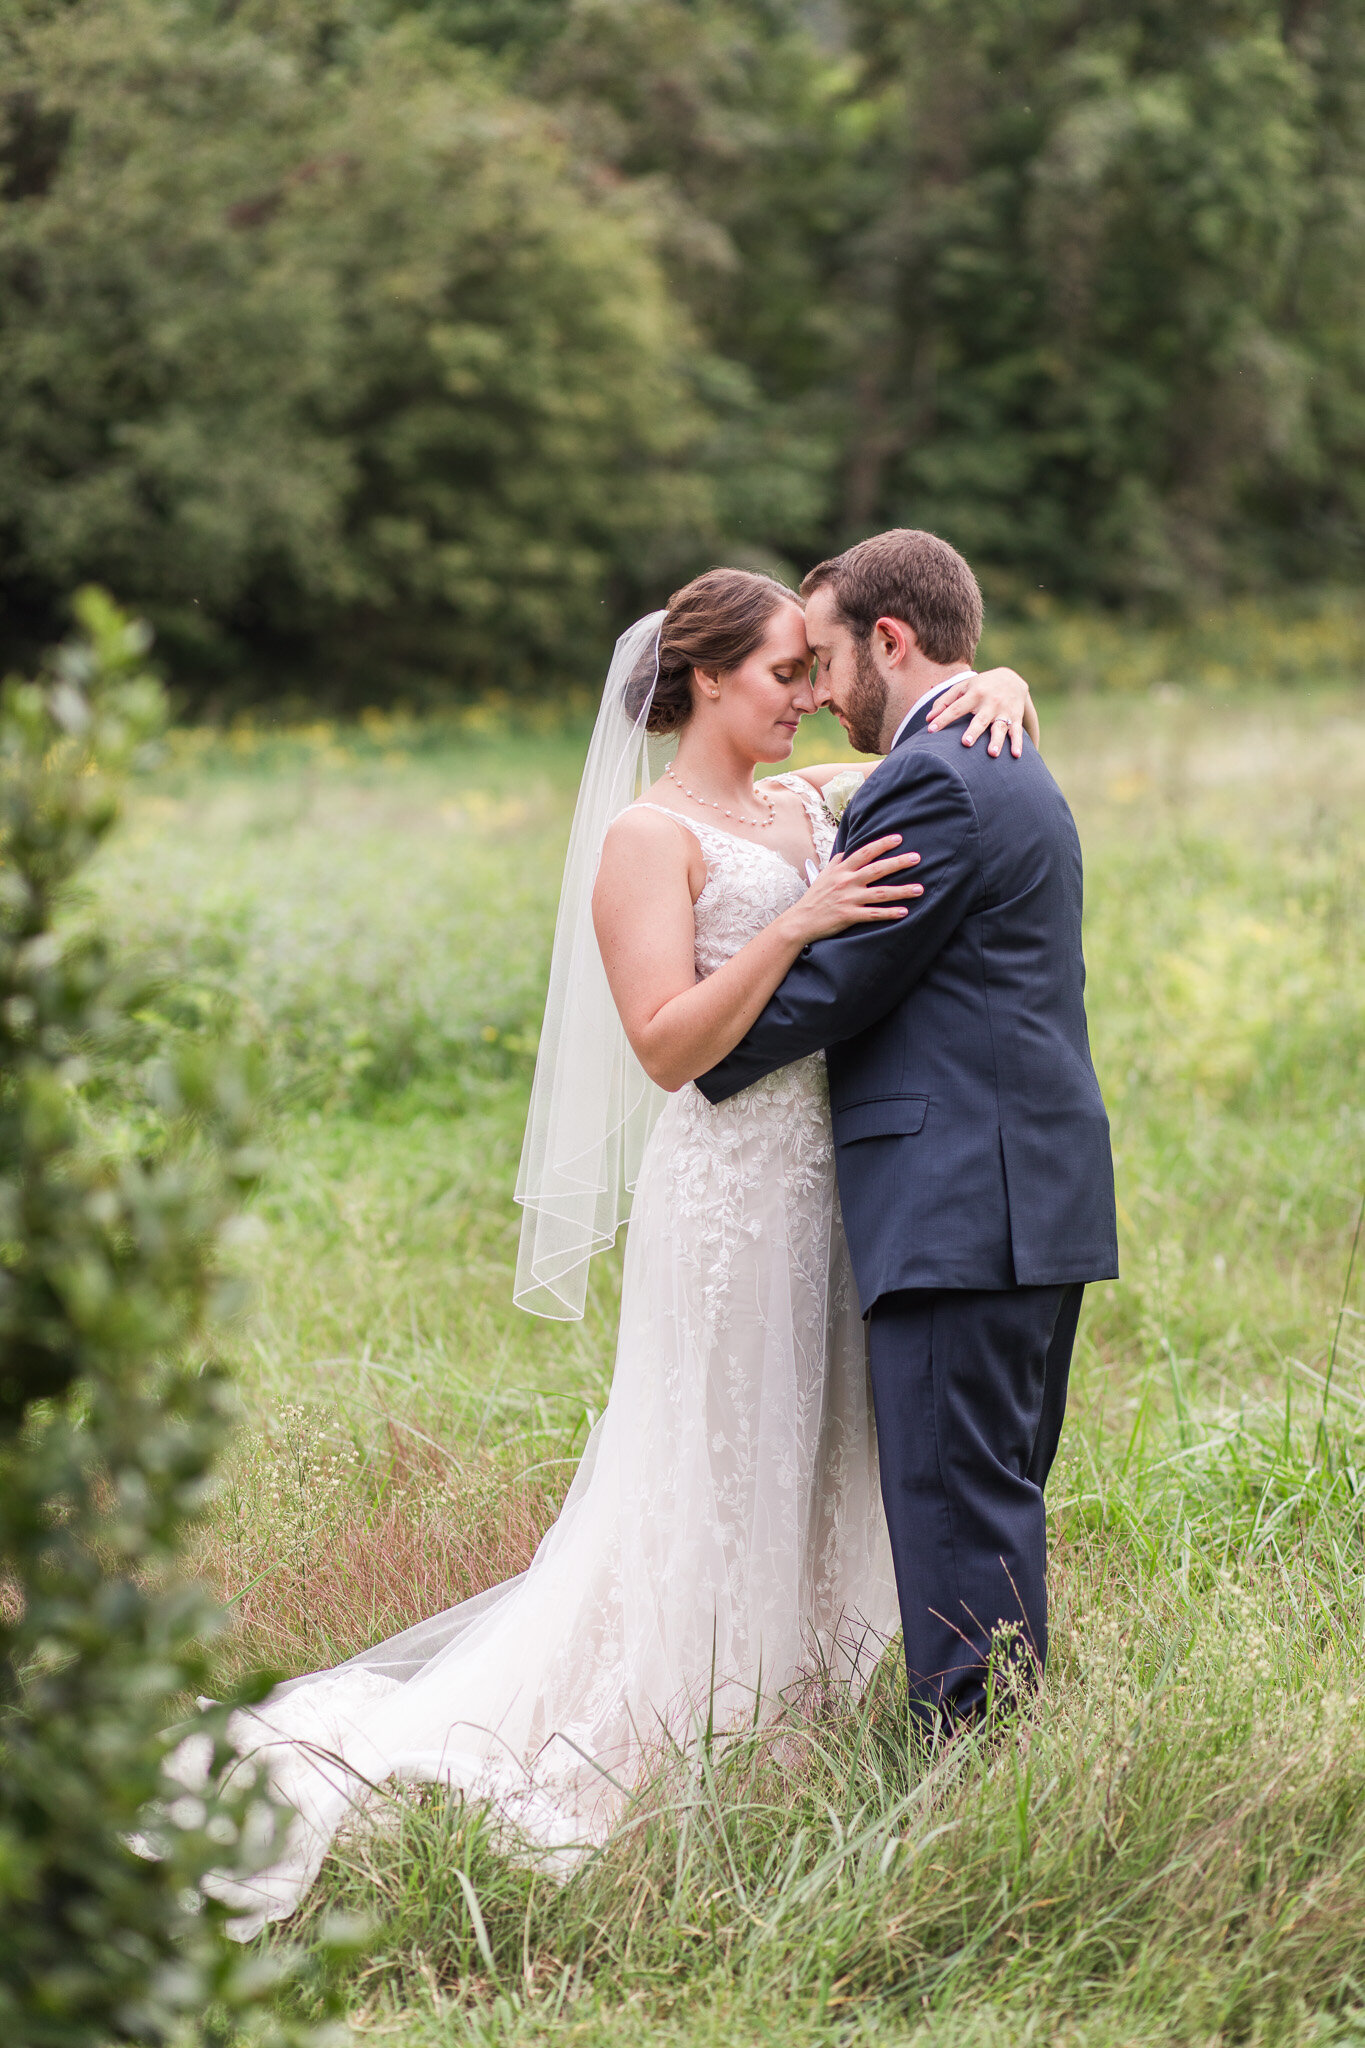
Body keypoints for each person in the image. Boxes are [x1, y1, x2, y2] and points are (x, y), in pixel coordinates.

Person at [196, 566, 1038, 1937]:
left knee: (822, 1450)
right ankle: (686, 1737)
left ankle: (814, 1720)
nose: (807, 694)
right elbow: (662, 1046)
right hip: (725, 1196)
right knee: (716, 1457)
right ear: (705, 679)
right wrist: (794, 924)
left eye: (813, 671)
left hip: (833, 1188)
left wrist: (1001, 682)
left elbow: (931, 722)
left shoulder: (801, 798)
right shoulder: (649, 839)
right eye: (781, 674)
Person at [697, 530, 1119, 1733]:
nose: (820, 693)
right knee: (991, 1493)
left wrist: (690, 1044)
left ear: (890, 637)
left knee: (952, 1502)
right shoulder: (995, 745)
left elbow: (842, 982)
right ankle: (1011, 1749)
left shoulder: (937, 773)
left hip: (957, 1200)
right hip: (1029, 1190)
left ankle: (972, 1775)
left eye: (825, 659)